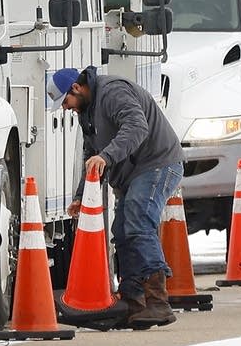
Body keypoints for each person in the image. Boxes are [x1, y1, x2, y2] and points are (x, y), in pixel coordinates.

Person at [52, 66, 185, 326]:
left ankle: (158, 302)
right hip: (134, 173)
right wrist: (82, 194)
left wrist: (107, 156)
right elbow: (92, 154)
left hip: (157, 163)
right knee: (122, 229)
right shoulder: (86, 111)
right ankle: (133, 302)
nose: (66, 108)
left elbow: (137, 127)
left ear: (77, 88)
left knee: (138, 220)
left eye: (65, 101)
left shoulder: (113, 92)